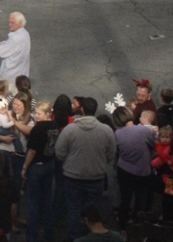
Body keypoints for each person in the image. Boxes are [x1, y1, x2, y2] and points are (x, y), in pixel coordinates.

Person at [54, 97, 116, 240]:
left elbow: (59, 152)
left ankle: (75, 237)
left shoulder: (70, 129)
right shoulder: (106, 130)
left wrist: (69, 162)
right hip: (96, 177)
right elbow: (111, 154)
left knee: (74, 209)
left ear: (81, 109)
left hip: (72, 177)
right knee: (94, 211)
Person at [111, 106, 155, 231]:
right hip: (143, 169)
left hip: (125, 170)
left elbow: (116, 151)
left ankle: (123, 225)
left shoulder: (118, 134)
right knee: (140, 195)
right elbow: (153, 145)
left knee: (125, 198)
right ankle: (137, 219)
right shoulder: (144, 131)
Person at [22, 101, 58, 242]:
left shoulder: (38, 129)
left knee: (33, 202)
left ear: (47, 114)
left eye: (39, 114)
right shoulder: (54, 126)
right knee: (46, 199)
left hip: (37, 166)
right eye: (35, 113)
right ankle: (49, 232)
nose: (36, 116)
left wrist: (25, 168)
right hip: (49, 163)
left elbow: (32, 151)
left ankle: (31, 235)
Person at [0, 12, 30, 85]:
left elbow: (0, 52)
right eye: (9, 22)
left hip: (10, 76)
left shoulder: (15, 38)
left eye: (12, 23)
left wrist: (2, 44)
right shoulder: (25, 34)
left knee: (3, 95)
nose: (9, 25)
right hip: (20, 73)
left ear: (20, 23)